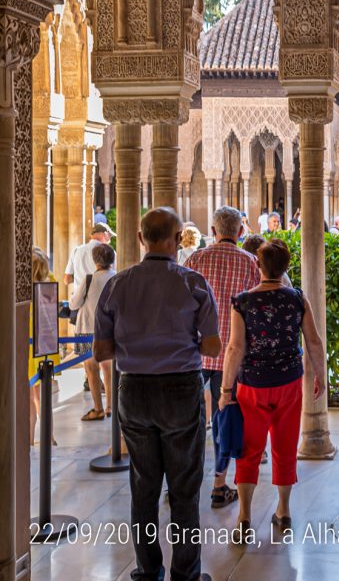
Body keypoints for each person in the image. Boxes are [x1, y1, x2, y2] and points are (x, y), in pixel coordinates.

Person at [94, 207, 219, 581]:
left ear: (138, 239)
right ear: (178, 240)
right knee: (184, 490)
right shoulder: (193, 283)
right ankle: (186, 574)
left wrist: (138, 343)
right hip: (181, 388)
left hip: (133, 389)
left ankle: (148, 573)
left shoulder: (118, 284)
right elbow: (212, 348)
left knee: (143, 488)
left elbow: (101, 352)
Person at [219, 239, 326, 540]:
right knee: (284, 446)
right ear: (287, 267)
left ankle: (244, 517)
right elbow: (314, 341)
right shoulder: (297, 299)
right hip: (289, 383)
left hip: (251, 386)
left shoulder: (242, 301)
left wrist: (226, 390)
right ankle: (284, 510)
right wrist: (320, 375)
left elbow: (235, 348)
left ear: (258, 264)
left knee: (249, 451)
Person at [185, 205, 259, 508]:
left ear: (213, 231)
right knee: (224, 418)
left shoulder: (195, 259)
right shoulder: (251, 262)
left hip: (196, 354)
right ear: (241, 232)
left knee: (189, 420)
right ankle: (219, 484)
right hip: (233, 357)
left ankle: (182, 482)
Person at [69, 242, 116, 420]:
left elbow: (74, 303)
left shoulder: (89, 279)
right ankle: (111, 406)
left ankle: (97, 408)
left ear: (95, 260)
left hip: (87, 328)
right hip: (110, 330)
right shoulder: (117, 277)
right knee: (109, 368)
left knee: (91, 368)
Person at [29, 247, 60, 445]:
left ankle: (29, 439)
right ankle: (48, 436)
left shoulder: (24, 289)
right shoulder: (50, 282)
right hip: (46, 343)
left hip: (29, 346)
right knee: (42, 396)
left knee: (28, 397)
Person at [64, 223, 112, 290]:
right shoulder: (109, 252)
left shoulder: (76, 251)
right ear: (103, 234)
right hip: (99, 297)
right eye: (110, 235)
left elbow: (67, 280)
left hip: (79, 298)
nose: (110, 239)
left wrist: (81, 277)